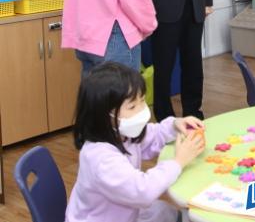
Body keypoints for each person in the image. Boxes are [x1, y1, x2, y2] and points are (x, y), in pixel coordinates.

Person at [66, 62, 206, 222]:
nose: (141, 110)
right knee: (169, 211)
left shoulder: (122, 133)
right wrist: (178, 161)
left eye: (143, 100)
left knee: (166, 211)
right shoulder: (101, 159)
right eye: (132, 107)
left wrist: (175, 125)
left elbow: (152, 135)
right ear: (103, 115)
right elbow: (143, 191)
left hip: (122, 212)